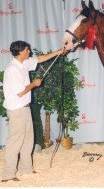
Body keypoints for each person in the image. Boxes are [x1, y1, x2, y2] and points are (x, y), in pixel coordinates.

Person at [1, 41, 67, 182]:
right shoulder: (12, 69)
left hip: (24, 108)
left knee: (28, 140)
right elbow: (20, 92)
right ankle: (8, 174)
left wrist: (59, 51)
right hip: (16, 109)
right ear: (20, 52)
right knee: (15, 142)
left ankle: (26, 168)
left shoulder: (23, 63)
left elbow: (40, 59)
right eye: (27, 50)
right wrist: (34, 84)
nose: (29, 51)